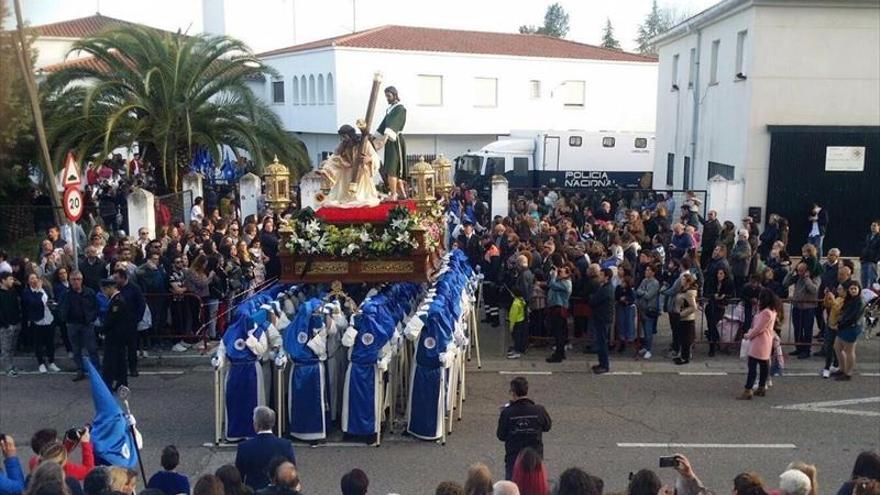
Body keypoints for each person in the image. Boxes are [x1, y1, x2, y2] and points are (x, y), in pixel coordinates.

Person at [496, 377, 552, 481]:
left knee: (513, 487)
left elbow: (501, 435)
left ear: (513, 393)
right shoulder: (539, 410)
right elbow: (547, 426)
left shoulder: (507, 412)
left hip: (514, 459)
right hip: (535, 458)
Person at [317, 124, 381, 206]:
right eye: (341, 137)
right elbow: (334, 158)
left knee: (361, 198)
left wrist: (368, 159)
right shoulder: (343, 145)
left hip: (361, 173)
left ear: (350, 135)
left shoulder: (364, 144)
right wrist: (325, 169)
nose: (342, 139)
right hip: (348, 172)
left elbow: (375, 157)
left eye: (344, 136)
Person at [234, 407, 296, 490]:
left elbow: (239, 476)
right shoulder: (285, 445)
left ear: (256, 424)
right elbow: (292, 471)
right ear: (273, 423)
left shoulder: (244, 447)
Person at [738, 289, 780, 399]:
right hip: (765, 342)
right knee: (763, 365)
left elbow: (758, 328)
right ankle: (761, 387)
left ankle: (748, 389)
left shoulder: (766, 313)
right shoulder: (772, 311)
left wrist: (748, 335)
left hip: (759, 342)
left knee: (752, 367)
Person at [59, 271, 100, 382]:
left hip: (87, 325)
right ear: (70, 281)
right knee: (76, 350)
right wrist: (65, 318)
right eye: (73, 279)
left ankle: (97, 371)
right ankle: (80, 370)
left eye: (78, 279)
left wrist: (92, 318)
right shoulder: (66, 294)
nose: (76, 282)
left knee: (92, 348)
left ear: (82, 280)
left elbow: (96, 307)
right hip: (72, 325)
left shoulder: (89, 292)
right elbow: (61, 307)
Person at [373, 86, 407, 200]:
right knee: (390, 167)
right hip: (389, 141)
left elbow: (393, 124)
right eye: (386, 96)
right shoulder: (390, 109)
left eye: (389, 96)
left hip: (395, 140)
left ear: (395, 95)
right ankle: (400, 192)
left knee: (393, 168)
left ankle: (394, 194)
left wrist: (384, 140)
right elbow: (384, 125)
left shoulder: (400, 109)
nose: (387, 98)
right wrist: (373, 137)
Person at [21, 273, 59, 373]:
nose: (35, 280)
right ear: (28, 281)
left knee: (50, 342)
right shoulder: (27, 292)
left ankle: (51, 362)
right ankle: (41, 363)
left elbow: (50, 299)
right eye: (32, 278)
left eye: (36, 278)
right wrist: (38, 290)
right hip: (37, 320)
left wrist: (52, 304)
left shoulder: (44, 289)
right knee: (38, 343)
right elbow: (34, 303)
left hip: (49, 318)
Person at [100, 277, 132, 391]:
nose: (104, 293)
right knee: (119, 360)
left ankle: (110, 383)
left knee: (111, 360)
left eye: (104, 290)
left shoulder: (117, 301)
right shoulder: (116, 299)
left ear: (109, 288)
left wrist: (101, 330)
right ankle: (121, 382)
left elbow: (112, 319)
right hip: (118, 336)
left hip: (115, 336)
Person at [784, 261, 820, 359]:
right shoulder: (797, 277)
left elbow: (814, 289)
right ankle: (798, 348)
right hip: (797, 306)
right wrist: (791, 272)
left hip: (808, 307)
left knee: (807, 329)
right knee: (797, 328)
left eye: (802, 271)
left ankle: (806, 350)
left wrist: (807, 278)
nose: (800, 273)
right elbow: (785, 283)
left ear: (807, 271)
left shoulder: (815, 278)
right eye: (798, 271)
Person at [113, 268, 145, 377]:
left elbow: (141, 304)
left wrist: (137, 319)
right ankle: (120, 367)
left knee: (132, 347)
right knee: (119, 347)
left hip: (130, 322)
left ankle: (133, 368)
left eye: (117, 278)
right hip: (117, 322)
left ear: (123, 278)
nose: (115, 280)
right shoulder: (115, 288)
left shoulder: (134, 288)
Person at [833, 281, 865, 381]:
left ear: (859, 290)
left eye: (855, 289)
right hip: (844, 326)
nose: (853, 291)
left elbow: (853, 317)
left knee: (849, 351)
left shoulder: (859, 301)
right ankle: (842, 369)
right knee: (837, 347)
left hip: (851, 327)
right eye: (851, 289)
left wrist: (840, 324)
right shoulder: (849, 299)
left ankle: (848, 373)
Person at [589, 267, 615, 374]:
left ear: (606, 277)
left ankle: (604, 365)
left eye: (601, 275)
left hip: (603, 318)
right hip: (600, 317)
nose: (599, 277)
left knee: (602, 342)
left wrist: (591, 298)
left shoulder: (606, 289)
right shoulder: (604, 287)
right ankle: (601, 363)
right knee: (600, 341)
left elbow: (594, 301)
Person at [545, 266, 572, 363]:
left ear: (567, 274)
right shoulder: (561, 282)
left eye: (562, 272)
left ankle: (558, 355)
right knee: (559, 333)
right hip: (555, 308)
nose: (559, 273)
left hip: (559, 309)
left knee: (559, 334)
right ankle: (561, 353)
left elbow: (552, 285)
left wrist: (554, 275)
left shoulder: (566, 284)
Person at [635, 264, 660, 359]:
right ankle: (645, 347)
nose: (646, 272)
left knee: (649, 330)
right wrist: (643, 292)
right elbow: (638, 290)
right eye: (646, 270)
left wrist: (642, 292)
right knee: (644, 330)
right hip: (642, 308)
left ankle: (649, 349)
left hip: (650, 309)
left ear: (653, 272)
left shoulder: (655, 283)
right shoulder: (644, 280)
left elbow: (648, 295)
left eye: (649, 270)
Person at [673, 273, 698, 365]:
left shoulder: (689, 293)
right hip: (681, 318)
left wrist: (682, 314)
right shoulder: (683, 290)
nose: (681, 281)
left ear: (688, 281)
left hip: (687, 318)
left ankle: (685, 357)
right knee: (682, 338)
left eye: (683, 280)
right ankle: (682, 356)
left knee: (686, 339)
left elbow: (693, 307)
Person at [0, 272, 22, 377]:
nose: (12, 281)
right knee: (6, 349)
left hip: (16, 324)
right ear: (3, 280)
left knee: (12, 348)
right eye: (10, 279)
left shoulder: (13, 291)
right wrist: (5, 325)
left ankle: (11, 365)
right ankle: (8, 369)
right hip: (6, 326)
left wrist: (18, 322)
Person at [860, 221, 880, 289]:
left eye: (875, 226)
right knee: (864, 278)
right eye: (872, 225)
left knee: (871, 278)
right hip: (865, 259)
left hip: (872, 260)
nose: (873, 227)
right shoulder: (868, 236)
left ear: (878, 227)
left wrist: (876, 259)